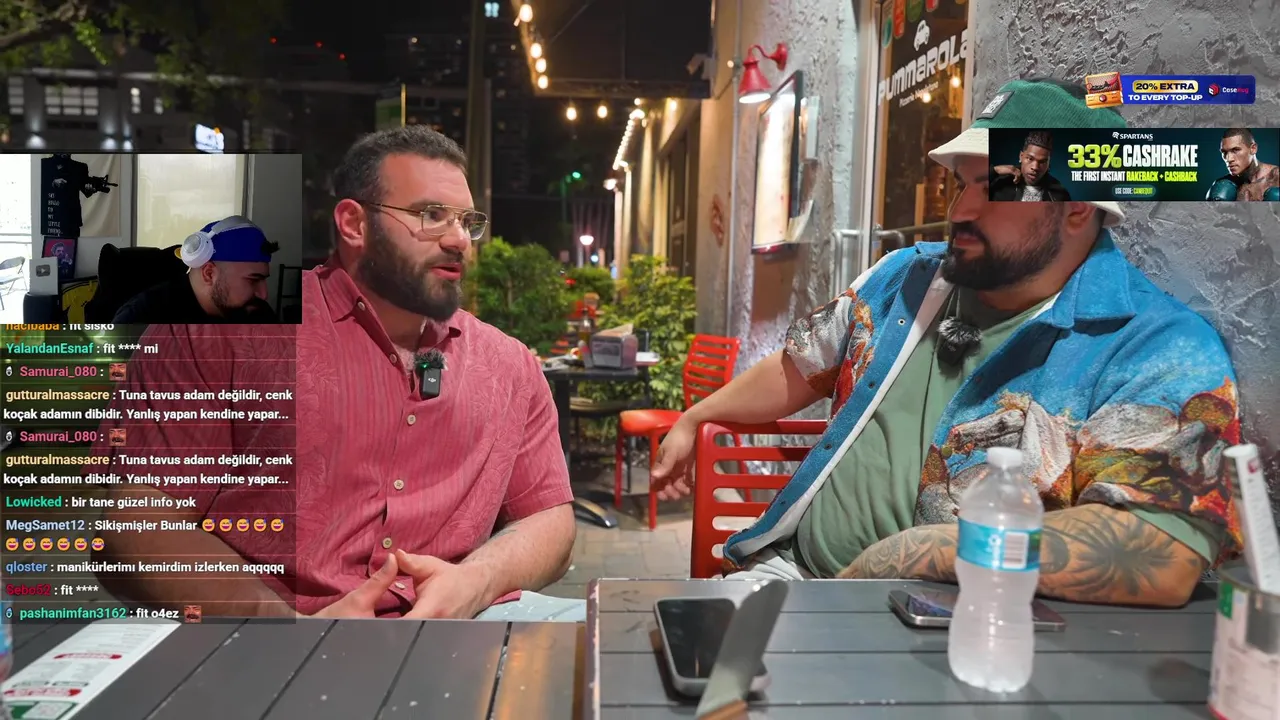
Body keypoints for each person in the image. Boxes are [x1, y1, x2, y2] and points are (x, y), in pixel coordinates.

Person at [651, 77, 1242, 608]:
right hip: (793, 578)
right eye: (962, 184)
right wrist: (694, 417)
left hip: (966, 625)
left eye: (994, 185)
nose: (959, 210)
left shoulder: (1152, 345)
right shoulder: (907, 279)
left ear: (1077, 206)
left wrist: (917, 554)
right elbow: (799, 366)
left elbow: (1162, 551)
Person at [91, 126, 582, 621]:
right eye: (431, 215)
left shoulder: (508, 365)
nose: (458, 240)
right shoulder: (222, 335)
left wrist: (477, 581)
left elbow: (550, 519)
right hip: (260, 642)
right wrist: (284, 627)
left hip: (456, 637)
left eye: (466, 221)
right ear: (354, 223)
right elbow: (133, 525)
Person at [112, 216, 278, 323]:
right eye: (253, 280)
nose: (264, 294)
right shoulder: (139, 320)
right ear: (209, 274)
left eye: (264, 279)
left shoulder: (256, 313)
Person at [990, 131, 1070, 201]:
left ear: (1048, 163)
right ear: (1021, 156)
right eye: (1030, 159)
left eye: (1042, 162)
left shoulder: (1060, 194)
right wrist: (995, 170)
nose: (1035, 167)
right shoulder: (1001, 182)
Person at [1206, 128, 1280, 201]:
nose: (1229, 159)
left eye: (1235, 150)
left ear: (1253, 149)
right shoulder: (1223, 184)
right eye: (1224, 152)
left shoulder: (1276, 177)